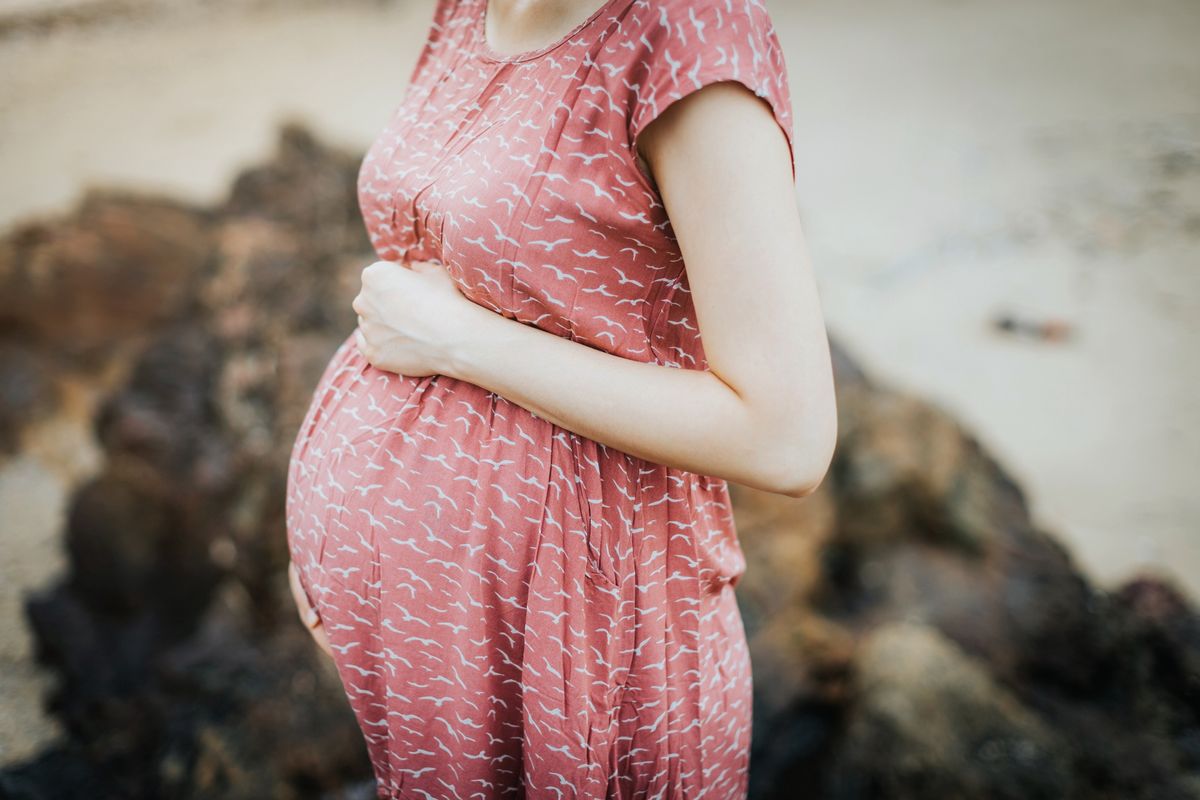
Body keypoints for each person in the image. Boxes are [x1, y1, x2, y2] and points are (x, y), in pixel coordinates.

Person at [284, 0, 837, 796]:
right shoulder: (472, 7)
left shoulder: (687, 32)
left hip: (580, 638)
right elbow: (425, 276)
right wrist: (338, 546)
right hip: (432, 651)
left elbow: (786, 437)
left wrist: (459, 343)